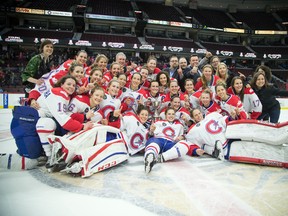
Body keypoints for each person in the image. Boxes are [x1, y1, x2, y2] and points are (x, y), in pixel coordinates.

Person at [156, 108, 288, 169]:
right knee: (258, 150)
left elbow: (227, 120)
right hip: (227, 148)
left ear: (201, 113)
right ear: (192, 117)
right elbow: (191, 146)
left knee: (262, 135)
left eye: (198, 113)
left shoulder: (212, 115)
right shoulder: (191, 132)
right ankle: (282, 157)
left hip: (233, 133)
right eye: (194, 115)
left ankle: (279, 132)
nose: (197, 116)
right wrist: (196, 152)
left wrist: (232, 116)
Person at [36, 75, 94, 159]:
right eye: (69, 84)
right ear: (62, 84)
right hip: (35, 119)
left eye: (74, 85)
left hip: (38, 117)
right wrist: (82, 126)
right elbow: (63, 119)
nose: (71, 87)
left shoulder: (62, 93)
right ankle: (50, 156)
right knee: (46, 124)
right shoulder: (60, 94)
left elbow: (65, 114)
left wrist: (84, 117)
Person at [144, 107, 185, 173]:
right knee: (153, 143)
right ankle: (149, 157)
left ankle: (160, 158)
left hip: (171, 143)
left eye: (173, 114)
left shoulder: (179, 125)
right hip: (159, 140)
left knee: (184, 145)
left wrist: (181, 137)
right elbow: (150, 134)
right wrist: (151, 131)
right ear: (165, 115)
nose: (171, 116)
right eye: (169, 114)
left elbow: (183, 136)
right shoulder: (158, 122)